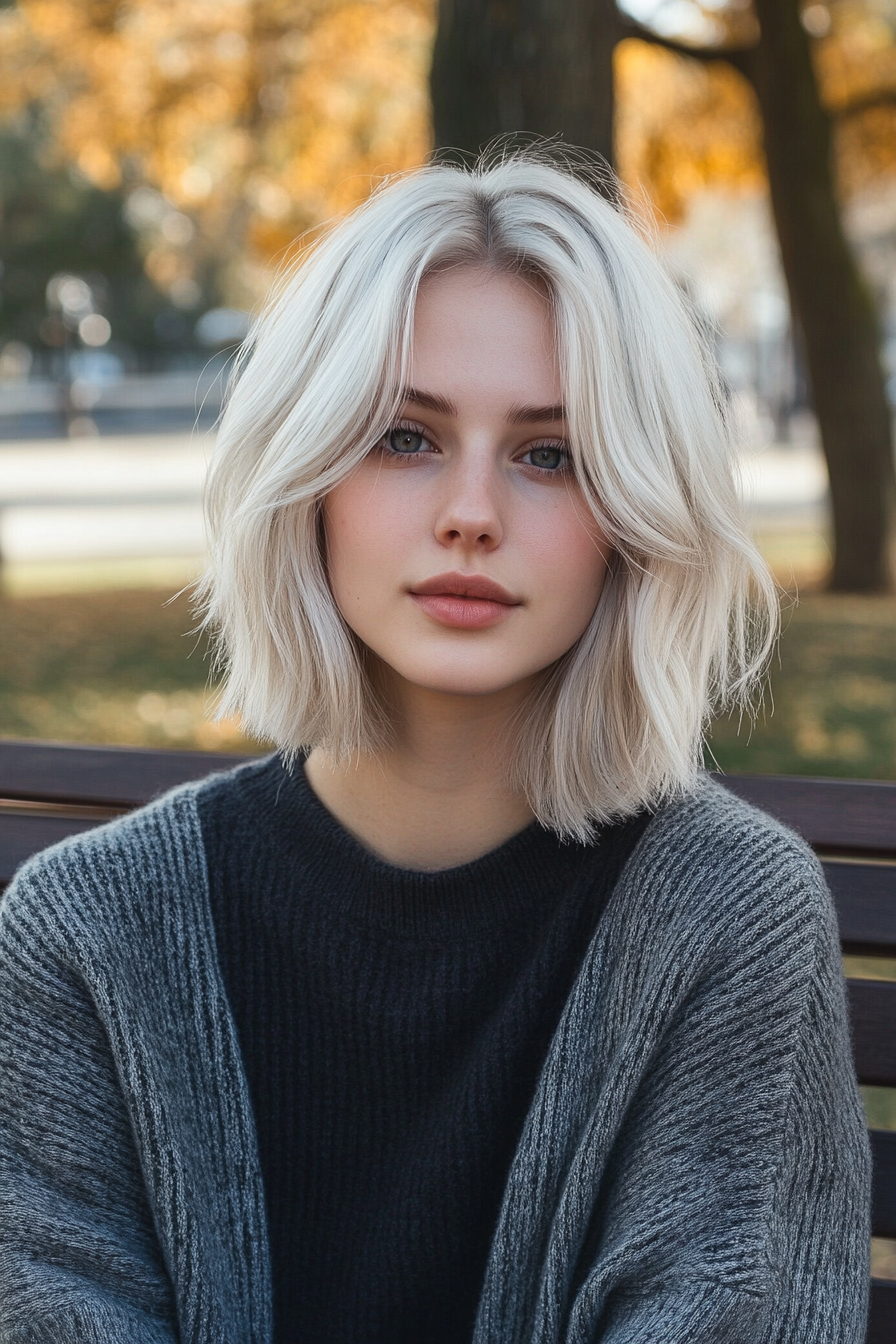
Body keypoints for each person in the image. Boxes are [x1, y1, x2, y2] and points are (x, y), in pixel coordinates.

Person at [0, 151, 870, 1343]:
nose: (471, 512)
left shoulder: (727, 921)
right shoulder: (83, 933)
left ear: (634, 516)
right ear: (306, 477)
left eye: (547, 454)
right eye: (404, 438)